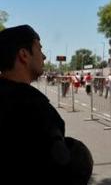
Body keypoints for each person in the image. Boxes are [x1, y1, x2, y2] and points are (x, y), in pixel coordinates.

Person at [0, 25, 93, 184]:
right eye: (39, 49)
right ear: (24, 55)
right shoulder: (34, 107)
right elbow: (59, 169)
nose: (43, 56)